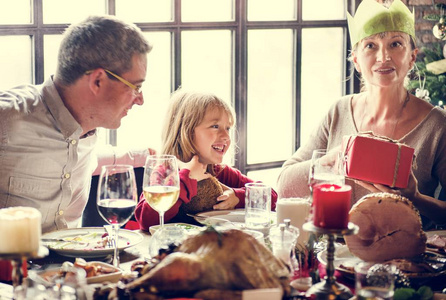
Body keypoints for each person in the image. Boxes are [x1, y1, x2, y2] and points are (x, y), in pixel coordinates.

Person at [277, 0, 446, 229]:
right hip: (337, 254)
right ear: (356, 60)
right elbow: (284, 185)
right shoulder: (338, 112)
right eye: (370, 46)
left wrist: (415, 197)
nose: (383, 57)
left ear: (412, 57)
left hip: (407, 259)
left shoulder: (437, 125)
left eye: (395, 44)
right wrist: (334, 159)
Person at [0, 15, 153, 234]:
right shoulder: (7, 118)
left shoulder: (86, 128)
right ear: (97, 81)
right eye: (135, 87)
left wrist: (145, 155)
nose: (140, 99)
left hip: (75, 267)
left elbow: (84, 157)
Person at [135, 90, 278, 230]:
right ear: (186, 131)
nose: (226, 137)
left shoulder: (219, 171)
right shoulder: (165, 172)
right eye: (215, 126)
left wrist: (237, 197)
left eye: (228, 128)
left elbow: (270, 196)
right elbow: (145, 220)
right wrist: (187, 177)